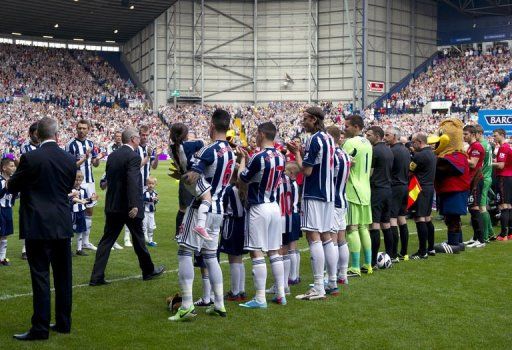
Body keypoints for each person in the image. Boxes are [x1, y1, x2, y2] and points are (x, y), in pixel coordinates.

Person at [10, 117, 76, 341]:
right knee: (63, 276)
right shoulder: (69, 158)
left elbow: (12, 185)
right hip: (61, 222)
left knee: (40, 276)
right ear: (57, 134)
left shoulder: (30, 157)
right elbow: (66, 186)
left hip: (38, 224)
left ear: (37, 135)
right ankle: (63, 323)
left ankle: (40, 328)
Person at [171, 109, 235, 321]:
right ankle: (219, 304)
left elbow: (192, 177)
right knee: (210, 257)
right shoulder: (231, 151)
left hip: (201, 207)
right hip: (219, 209)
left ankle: (187, 305)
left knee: (185, 252)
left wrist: (182, 174)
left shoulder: (210, 150)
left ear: (212, 125)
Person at [89, 127, 165, 286]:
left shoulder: (113, 155)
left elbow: (110, 180)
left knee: (106, 241)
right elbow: (132, 181)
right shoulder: (133, 156)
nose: (140, 140)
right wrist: (134, 205)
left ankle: (96, 277)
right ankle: (148, 271)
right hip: (128, 207)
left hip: (113, 205)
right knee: (139, 240)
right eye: (138, 137)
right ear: (132, 139)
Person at [287, 106, 337, 300]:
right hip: (328, 194)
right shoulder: (329, 139)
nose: (303, 122)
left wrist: (296, 154)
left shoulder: (315, 139)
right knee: (326, 237)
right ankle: (331, 281)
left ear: (315, 120)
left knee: (313, 236)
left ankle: (318, 286)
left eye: (306, 119)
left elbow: (306, 171)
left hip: (314, 193)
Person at [237, 122, 287, 308]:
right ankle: (281, 294)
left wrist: (243, 160)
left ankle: (260, 298)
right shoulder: (281, 157)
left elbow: (243, 177)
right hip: (274, 206)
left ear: (261, 134)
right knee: (274, 250)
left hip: (259, 206)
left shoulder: (258, 156)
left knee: (256, 251)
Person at [342, 114, 373, 277]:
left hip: (353, 189)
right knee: (363, 227)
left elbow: (341, 163)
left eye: (347, 126)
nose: (344, 128)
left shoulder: (350, 143)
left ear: (356, 126)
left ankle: (354, 267)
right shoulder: (367, 142)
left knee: (352, 228)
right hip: (365, 189)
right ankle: (367, 264)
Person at [66, 119, 102, 251]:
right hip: (75, 183)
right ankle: (70, 243)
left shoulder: (91, 143)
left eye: (84, 128)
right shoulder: (71, 145)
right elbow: (69, 166)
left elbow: (94, 163)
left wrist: (96, 159)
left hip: (89, 181)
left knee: (89, 209)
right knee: (73, 210)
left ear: (88, 129)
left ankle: (85, 242)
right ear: (76, 128)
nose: (81, 130)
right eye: (79, 128)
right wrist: (84, 158)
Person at [124, 125, 160, 247]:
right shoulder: (135, 148)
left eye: (146, 135)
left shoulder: (150, 148)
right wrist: (148, 156)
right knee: (132, 209)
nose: (144, 137)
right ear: (138, 135)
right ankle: (127, 237)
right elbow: (137, 165)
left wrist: (157, 157)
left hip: (147, 185)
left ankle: (141, 235)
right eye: (142, 135)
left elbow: (154, 167)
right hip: (136, 183)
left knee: (143, 211)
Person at [366, 126, 394, 268]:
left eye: (369, 135)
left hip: (377, 190)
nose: (366, 137)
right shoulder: (389, 150)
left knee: (374, 225)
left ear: (377, 136)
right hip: (388, 190)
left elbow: (369, 172)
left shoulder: (374, 150)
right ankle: (390, 255)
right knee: (386, 224)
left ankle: (372, 261)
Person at [326, 126, 350, 285]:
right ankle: (343, 274)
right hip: (343, 198)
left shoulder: (332, 154)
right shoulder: (345, 154)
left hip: (333, 201)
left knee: (332, 240)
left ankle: (332, 278)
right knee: (341, 239)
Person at [219, 169, 247, 302]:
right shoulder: (244, 188)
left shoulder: (230, 189)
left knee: (233, 259)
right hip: (243, 224)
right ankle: (241, 290)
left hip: (232, 223)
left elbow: (223, 205)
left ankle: (235, 292)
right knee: (239, 258)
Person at [384, 127, 410, 262]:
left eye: (387, 134)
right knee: (401, 219)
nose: (384, 136)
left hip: (395, 187)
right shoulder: (405, 150)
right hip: (404, 186)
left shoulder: (392, 151)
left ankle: (393, 254)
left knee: (392, 220)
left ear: (394, 136)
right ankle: (404, 252)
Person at [409, 133, 436, 259]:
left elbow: (410, 171)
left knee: (419, 218)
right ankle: (430, 248)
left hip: (420, 188)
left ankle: (422, 251)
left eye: (414, 142)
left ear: (419, 142)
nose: (412, 145)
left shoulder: (419, 155)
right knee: (427, 218)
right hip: (430, 188)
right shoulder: (432, 153)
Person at [18, 122, 39, 260]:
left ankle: (38, 245)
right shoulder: (26, 147)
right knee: (28, 216)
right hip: (29, 186)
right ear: (31, 133)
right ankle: (25, 249)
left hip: (40, 186)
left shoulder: (43, 146)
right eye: (36, 133)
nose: (38, 136)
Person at [462, 125, 486, 248]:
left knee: (475, 208)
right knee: (472, 208)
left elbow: (473, 163)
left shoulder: (476, 146)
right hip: (472, 180)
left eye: (466, 134)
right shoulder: (472, 146)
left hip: (476, 180)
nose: (464, 136)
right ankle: (476, 237)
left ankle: (481, 240)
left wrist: (460, 157)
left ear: (472, 134)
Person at [70, 170, 98, 256]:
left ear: (82, 180)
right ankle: (69, 249)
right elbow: (70, 201)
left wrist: (91, 199)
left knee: (80, 230)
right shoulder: (70, 191)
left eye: (80, 180)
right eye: (76, 180)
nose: (78, 182)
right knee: (70, 231)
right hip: (73, 213)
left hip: (81, 213)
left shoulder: (83, 190)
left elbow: (85, 201)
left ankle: (79, 249)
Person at [474, 125, 495, 241]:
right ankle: (491, 232)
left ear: (479, 133)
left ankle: (486, 236)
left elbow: (478, 164)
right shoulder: (487, 144)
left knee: (482, 207)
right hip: (488, 176)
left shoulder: (481, 145)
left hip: (483, 178)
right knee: (483, 206)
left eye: (474, 134)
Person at [492, 128, 512, 241]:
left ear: (502, 135)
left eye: (495, 136)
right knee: (509, 206)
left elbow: (500, 165)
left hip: (503, 178)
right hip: (509, 177)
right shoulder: (507, 147)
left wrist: (490, 163)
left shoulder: (503, 148)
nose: (494, 137)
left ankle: (503, 234)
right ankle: (510, 233)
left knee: (504, 206)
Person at [0, 157, 16, 266]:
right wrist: (5, 188)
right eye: (11, 166)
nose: (14, 167)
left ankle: (2, 258)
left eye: (14, 165)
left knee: (5, 235)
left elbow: (14, 195)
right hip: (0, 209)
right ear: (4, 168)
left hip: (8, 210)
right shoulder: (0, 180)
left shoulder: (12, 180)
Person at [143, 176, 159, 247]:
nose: (151, 185)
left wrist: (156, 200)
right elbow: (143, 199)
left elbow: (155, 202)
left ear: (155, 185)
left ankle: (150, 240)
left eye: (152, 184)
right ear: (147, 184)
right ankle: (142, 240)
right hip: (145, 211)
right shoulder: (144, 192)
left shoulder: (155, 193)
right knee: (144, 226)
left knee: (151, 226)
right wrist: (151, 199)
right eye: (149, 183)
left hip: (151, 212)